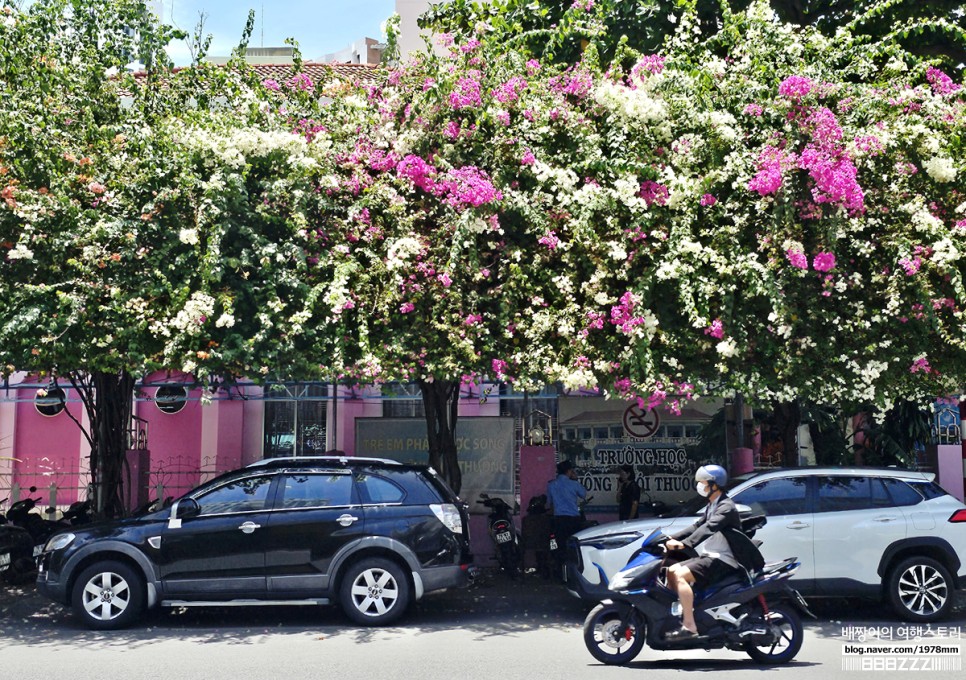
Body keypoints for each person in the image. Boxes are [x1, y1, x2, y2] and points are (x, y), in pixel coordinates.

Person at [662, 464, 740, 640]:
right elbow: (697, 525)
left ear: (714, 484)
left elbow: (708, 528)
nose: (700, 486)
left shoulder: (726, 507)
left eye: (703, 482)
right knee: (671, 571)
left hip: (723, 560)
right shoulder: (713, 505)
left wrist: (685, 545)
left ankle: (690, 626)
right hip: (711, 556)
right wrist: (669, 538)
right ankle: (679, 613)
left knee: (680, 575)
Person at [546, 460, 587, 559]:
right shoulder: (574, 484)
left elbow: (548, 503)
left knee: (561, 547)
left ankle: (561, 570)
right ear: (569, 471)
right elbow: (583, 494)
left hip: (559, 520)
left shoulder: (551, 485)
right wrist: (576, 479)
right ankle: (573, 569)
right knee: (574, 547)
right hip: (574, 520)